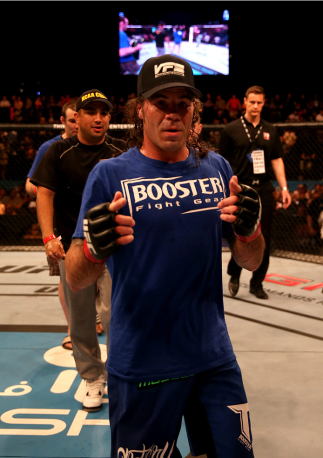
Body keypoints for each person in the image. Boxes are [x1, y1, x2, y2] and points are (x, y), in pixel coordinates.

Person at [66, 55, 265, 456]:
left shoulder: (216, 168)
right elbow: (77, 277)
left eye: (182, 103)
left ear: (194, 111)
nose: (173, 114)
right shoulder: (109, 175)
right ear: (140, 109)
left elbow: (251, 261)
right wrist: (92, 248)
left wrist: (250, 230)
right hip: (142, 362)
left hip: (213, 357)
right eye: (162, 102)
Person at [30, 89, 126, 412]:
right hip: (75, 246)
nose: (98, 118)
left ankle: (119, 372)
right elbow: (44, 194)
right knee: (82, 319)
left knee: (117, 314)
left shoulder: (121, 151)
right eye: (91, 112)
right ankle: (92, 378)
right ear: (78, 117)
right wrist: (47, 239)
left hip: (115, 248)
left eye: (104, 112)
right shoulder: (57, 151)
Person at [219, 85, 291, 300]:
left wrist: (284, 188)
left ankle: (257, 283)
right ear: (245, 102)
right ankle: (234, 272)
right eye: (252, 102)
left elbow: (277, 159)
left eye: (259, 102)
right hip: (240, 188)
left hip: (264, 188)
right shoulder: (230, 129)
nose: (256, 106)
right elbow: (221, 162)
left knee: (264, 237)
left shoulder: (270, 129)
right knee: (241, 235)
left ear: (264, 103)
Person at [25, 100, 78, 350]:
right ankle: (71, 329)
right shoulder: (50, 147)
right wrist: (50, 189)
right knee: (63, 279)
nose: (77, 124)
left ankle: (93, 321)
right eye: (72, 120)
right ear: (63, 121)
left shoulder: (99, 145)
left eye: (80, 118)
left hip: (89, 222)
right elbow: (29, 185)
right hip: (59, 224)